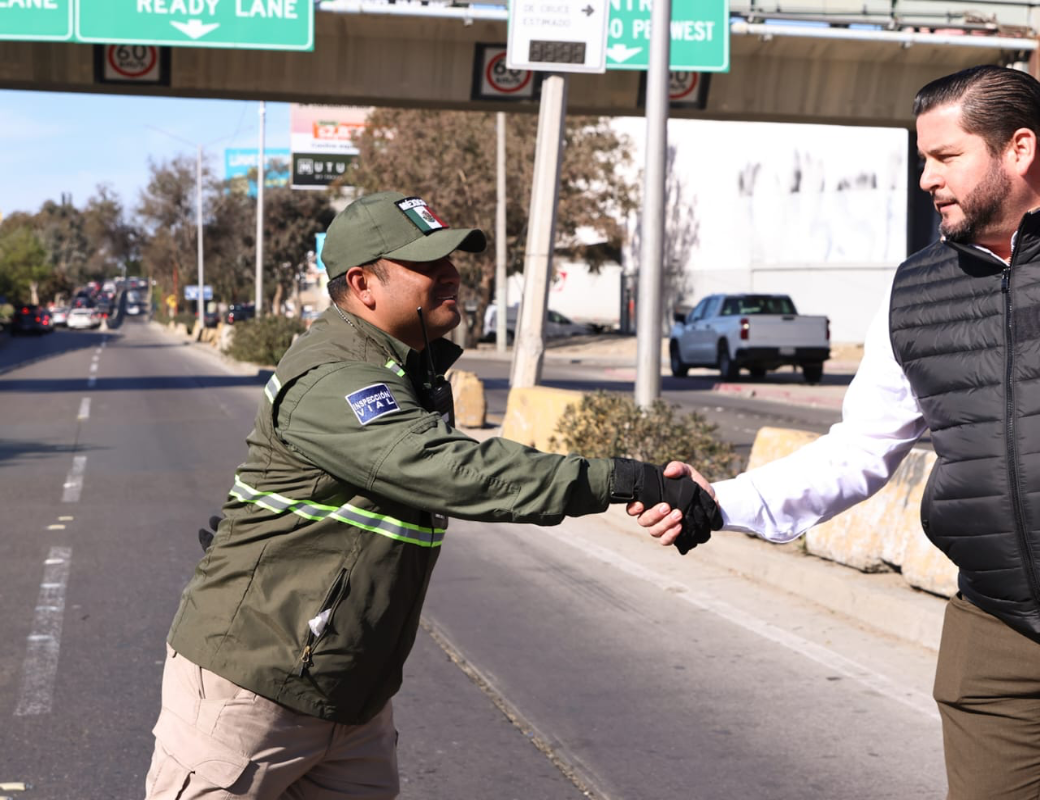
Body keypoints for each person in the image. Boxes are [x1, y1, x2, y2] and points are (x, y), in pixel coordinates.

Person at [633, 66, 1040, 800]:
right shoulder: (915, 288)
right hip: (994, 626)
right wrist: (722, 502)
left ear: (1019, 149)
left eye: (945, 157)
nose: (926, 178)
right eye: (923, 158)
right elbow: (861, 449)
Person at [144, 190, 720, 799]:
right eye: (428, 263)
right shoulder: (335, 375)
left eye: (452, 258)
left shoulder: (406, 371)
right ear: (364, 283)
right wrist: (620, 479)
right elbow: (454, 469)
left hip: (350, 700)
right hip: (253, 692)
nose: (452, 274)